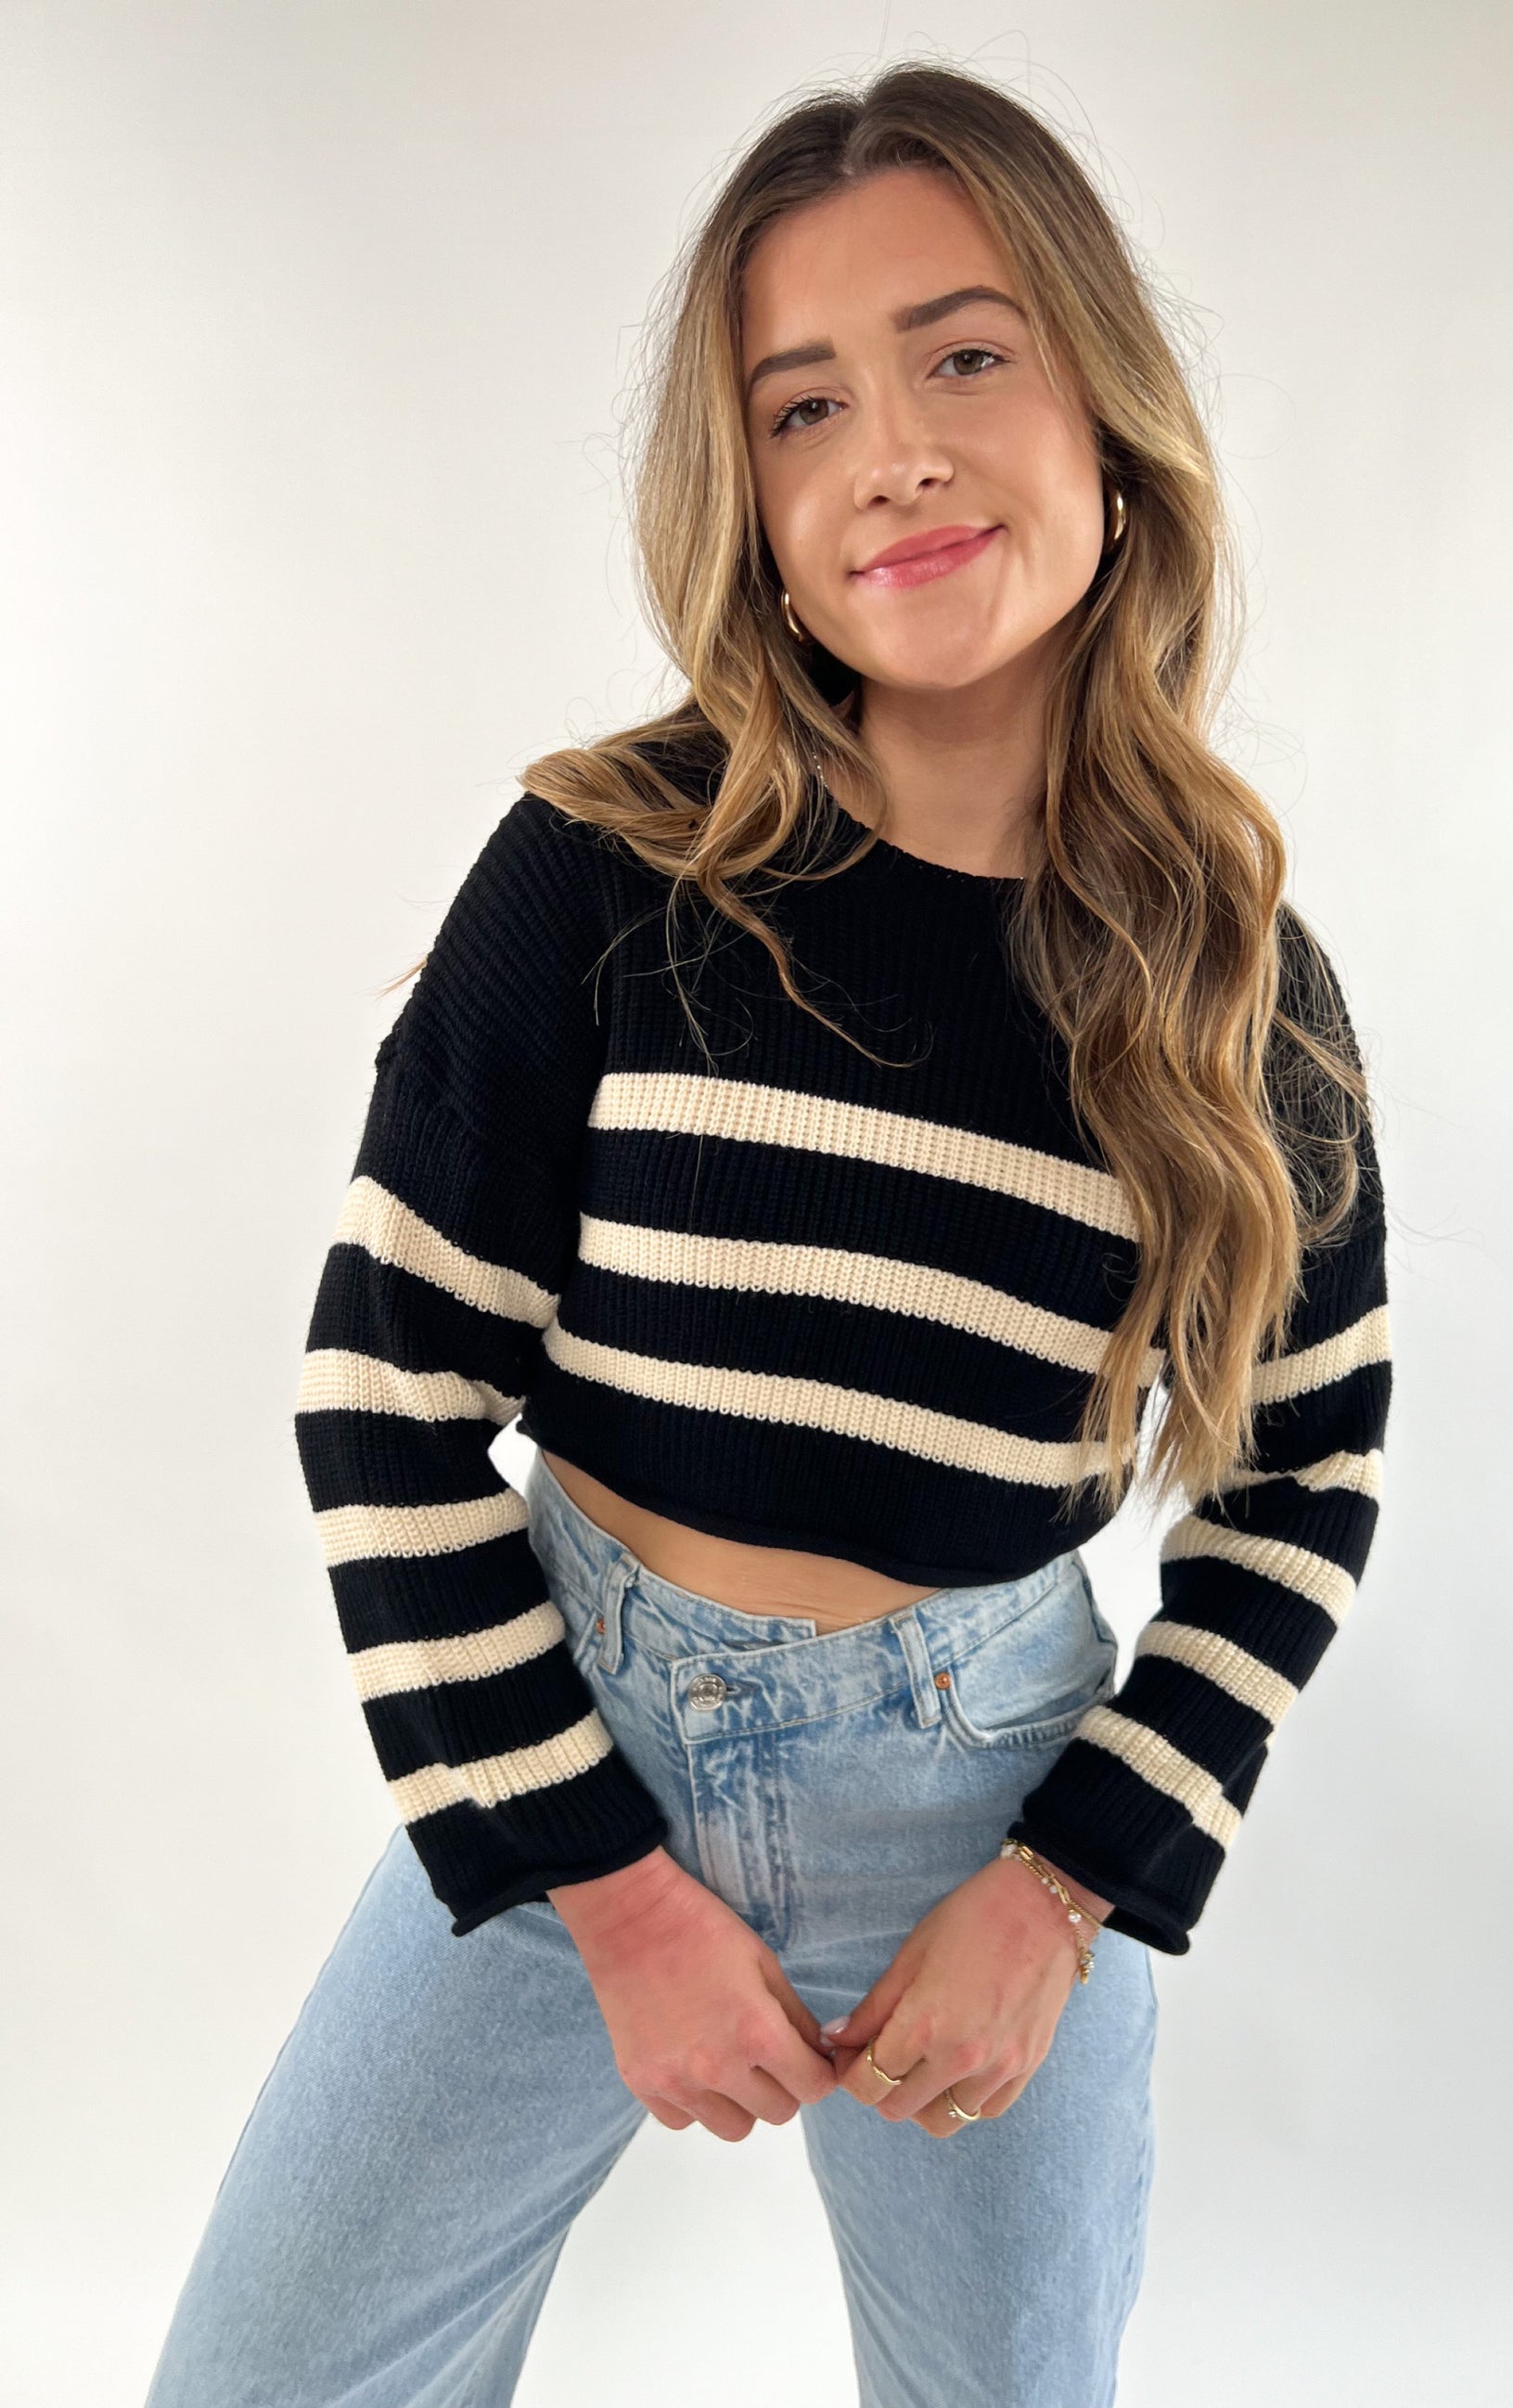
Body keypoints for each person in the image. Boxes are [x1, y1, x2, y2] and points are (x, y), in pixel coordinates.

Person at [147, 59, 1391, 2408]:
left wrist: (1063, 1888)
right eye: (803, 405)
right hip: (566, 1741)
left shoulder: (1233, 982)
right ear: (756, 508)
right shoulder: (608, 872)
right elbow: (382, 1394)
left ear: (1109, 424)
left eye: (963, 355)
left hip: (989, 1800)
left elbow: (1305, 1476)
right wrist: (613, 1890)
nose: (890, 453)